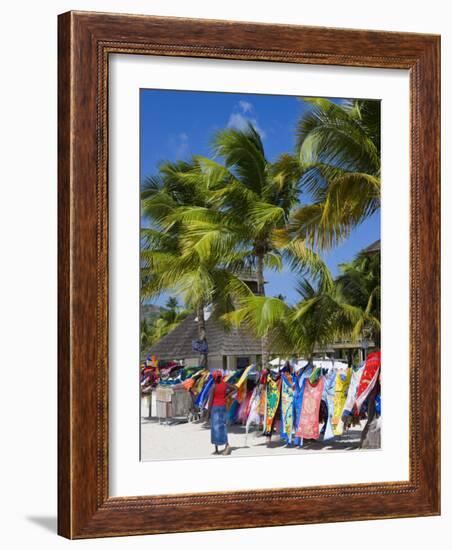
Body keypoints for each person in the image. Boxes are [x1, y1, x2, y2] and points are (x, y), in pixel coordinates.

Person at [207, 370, 236, 455]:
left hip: (215, 408)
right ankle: (226, 445)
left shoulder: (213, 386)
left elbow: (210, 401)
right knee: (223, 426)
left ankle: (217, 449)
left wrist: (208, 413)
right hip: (223, 407)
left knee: (215, 428)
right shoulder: (225, 384)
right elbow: (235, 389)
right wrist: (227, 395)